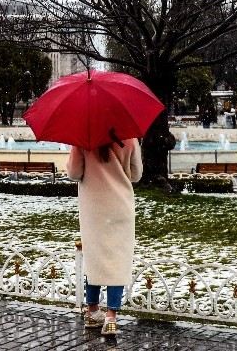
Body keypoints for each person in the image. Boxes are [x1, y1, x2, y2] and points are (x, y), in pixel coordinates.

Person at [66, 131, 142, 338]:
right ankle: (110, 317)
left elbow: (73, 173)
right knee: (118, 258)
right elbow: (136, 175)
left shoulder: (82, 139)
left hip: (93, 208)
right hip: (120, 206)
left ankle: (92, 312)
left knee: (94, 257)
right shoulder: (129, 138)